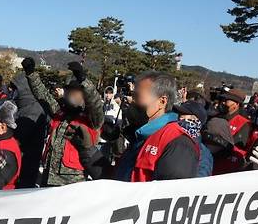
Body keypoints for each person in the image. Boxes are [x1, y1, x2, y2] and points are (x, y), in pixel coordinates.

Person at [70, 71, 199, 182]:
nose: (132, 102)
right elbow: (115, 182)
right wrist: (87, 150)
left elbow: (166, 201)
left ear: (162, 101)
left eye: (137, 97)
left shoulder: (178, 144)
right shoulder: (140, 137)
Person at [22, 58, 104, 186]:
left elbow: (95, 103)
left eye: (75, 93)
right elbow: (43, 96)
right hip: (49, 175)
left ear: (83, 96)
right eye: (68, 92)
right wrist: (31, 74)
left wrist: (83, 80)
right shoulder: (60, 113)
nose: (70, 95)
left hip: (72, 181)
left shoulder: (91, 118)